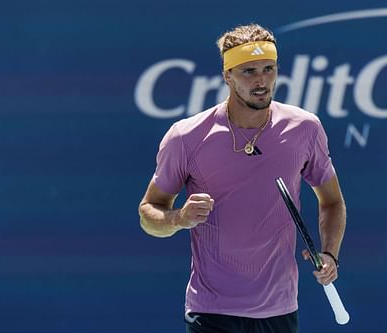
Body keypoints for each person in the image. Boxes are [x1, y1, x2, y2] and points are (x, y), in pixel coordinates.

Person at [138, 23, 346, 333]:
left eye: (268, 69)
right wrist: (179, 218)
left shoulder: (305, 128)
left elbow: (331, 202)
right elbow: (148, 213)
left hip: (279, 311)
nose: (261, 80)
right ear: (227, 76)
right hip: (210, 312)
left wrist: (330, 253)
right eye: (248, 71)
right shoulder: (186, 137)